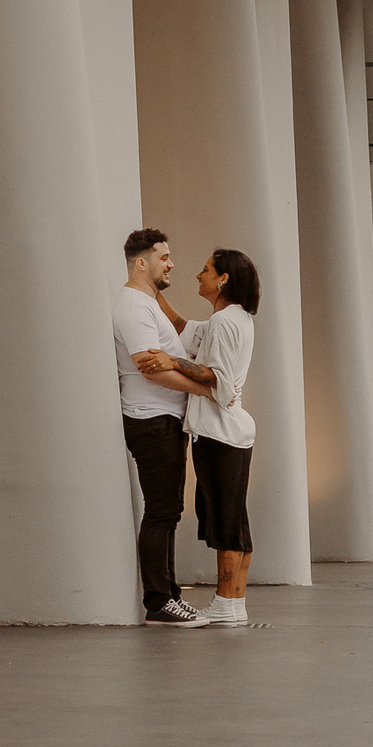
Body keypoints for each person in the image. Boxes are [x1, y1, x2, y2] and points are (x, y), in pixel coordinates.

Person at [136, 249, 260, 627]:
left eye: (205, 270)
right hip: (232, 433)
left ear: (222, 279)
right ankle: (234, 604)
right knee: (235, 520)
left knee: (225, 520)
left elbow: (216, 376)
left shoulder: (225, 321)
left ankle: (225, 603)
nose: (196, 275)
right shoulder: (231, 319)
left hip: (219, 434)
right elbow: (184, 328)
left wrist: (172, 362)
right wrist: (153, 290)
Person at [113, 228, 216, 627]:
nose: (171, 263)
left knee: (169, 511)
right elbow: (149, 368)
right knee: (160, 512)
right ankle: (158, 603)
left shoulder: (148, 302)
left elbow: (172, 349)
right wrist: (204, 390)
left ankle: (170, 595)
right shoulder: (133, 307)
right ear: (142, 262)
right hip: (150, 420)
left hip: (165, 420)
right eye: (164, 257)